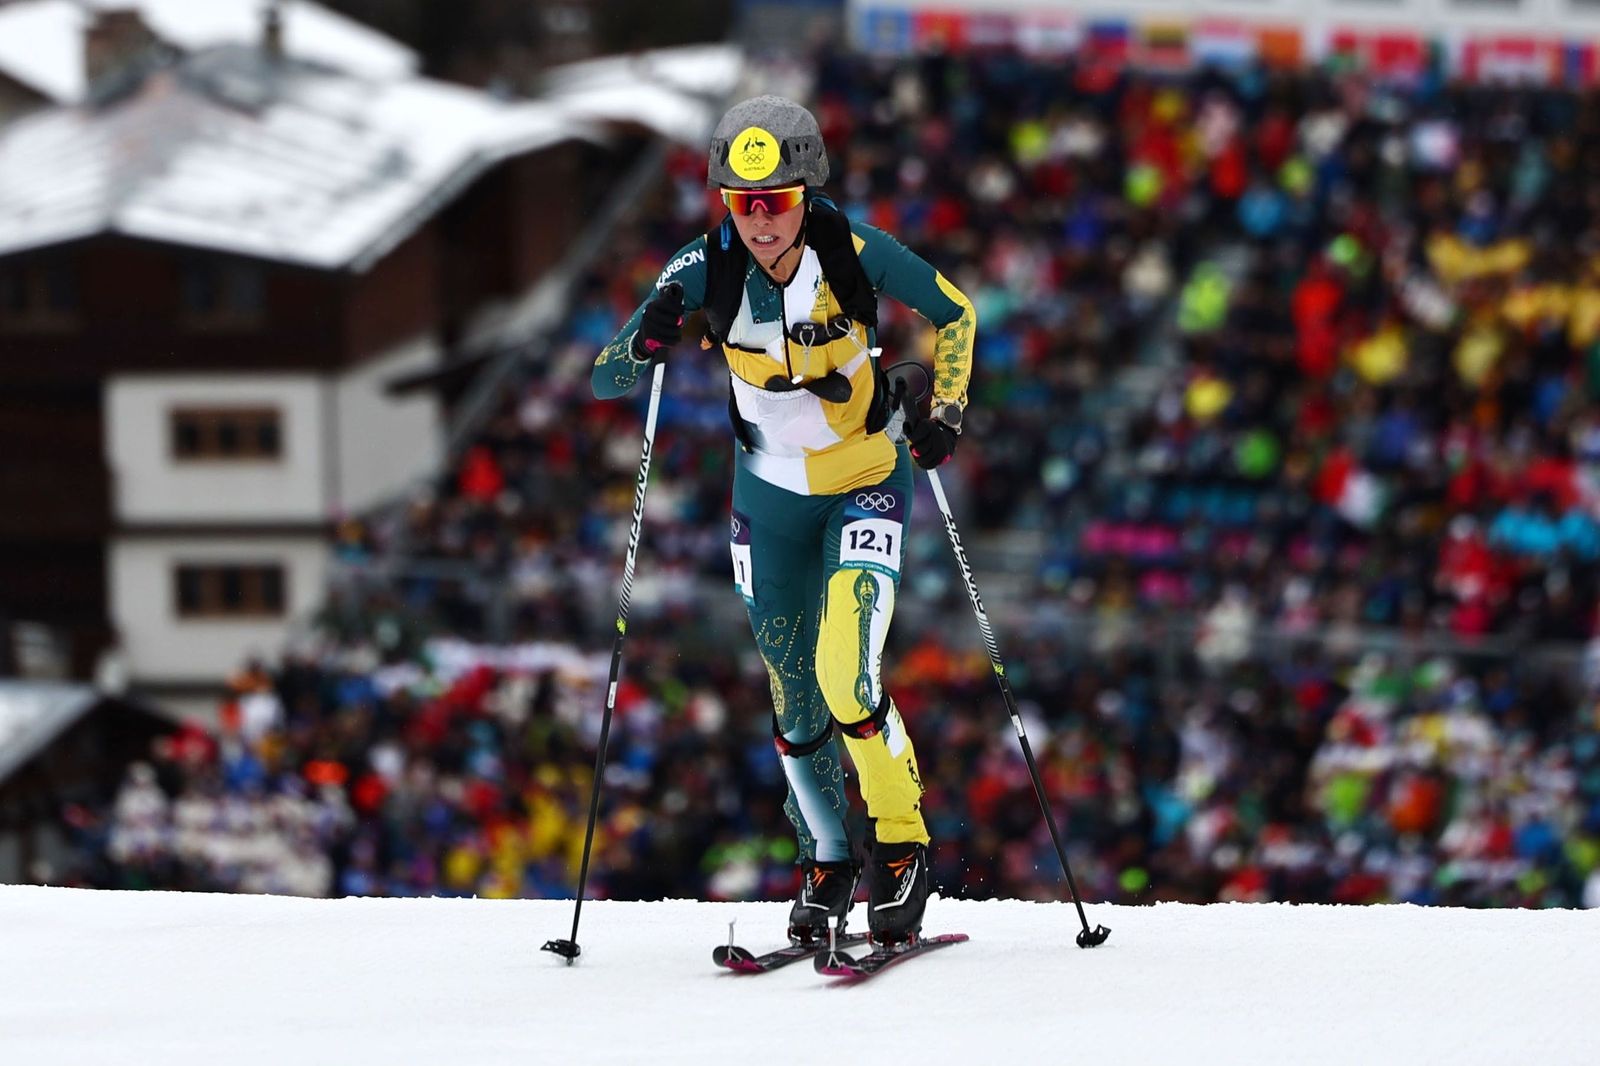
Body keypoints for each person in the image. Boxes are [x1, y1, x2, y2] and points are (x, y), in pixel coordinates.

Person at [592, 96, 975, 946]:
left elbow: (955, 314)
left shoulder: (854, 250)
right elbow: (605, 377)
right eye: (743, 202)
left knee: (848, 675)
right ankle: (827, 862)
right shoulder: (700, 268)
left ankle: (903, 847)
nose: (762, 221)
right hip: (767, 498)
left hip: (867, 478)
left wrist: (944, 410)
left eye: (778, 201)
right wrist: (647, 338)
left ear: (806, 193)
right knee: (794, 697)